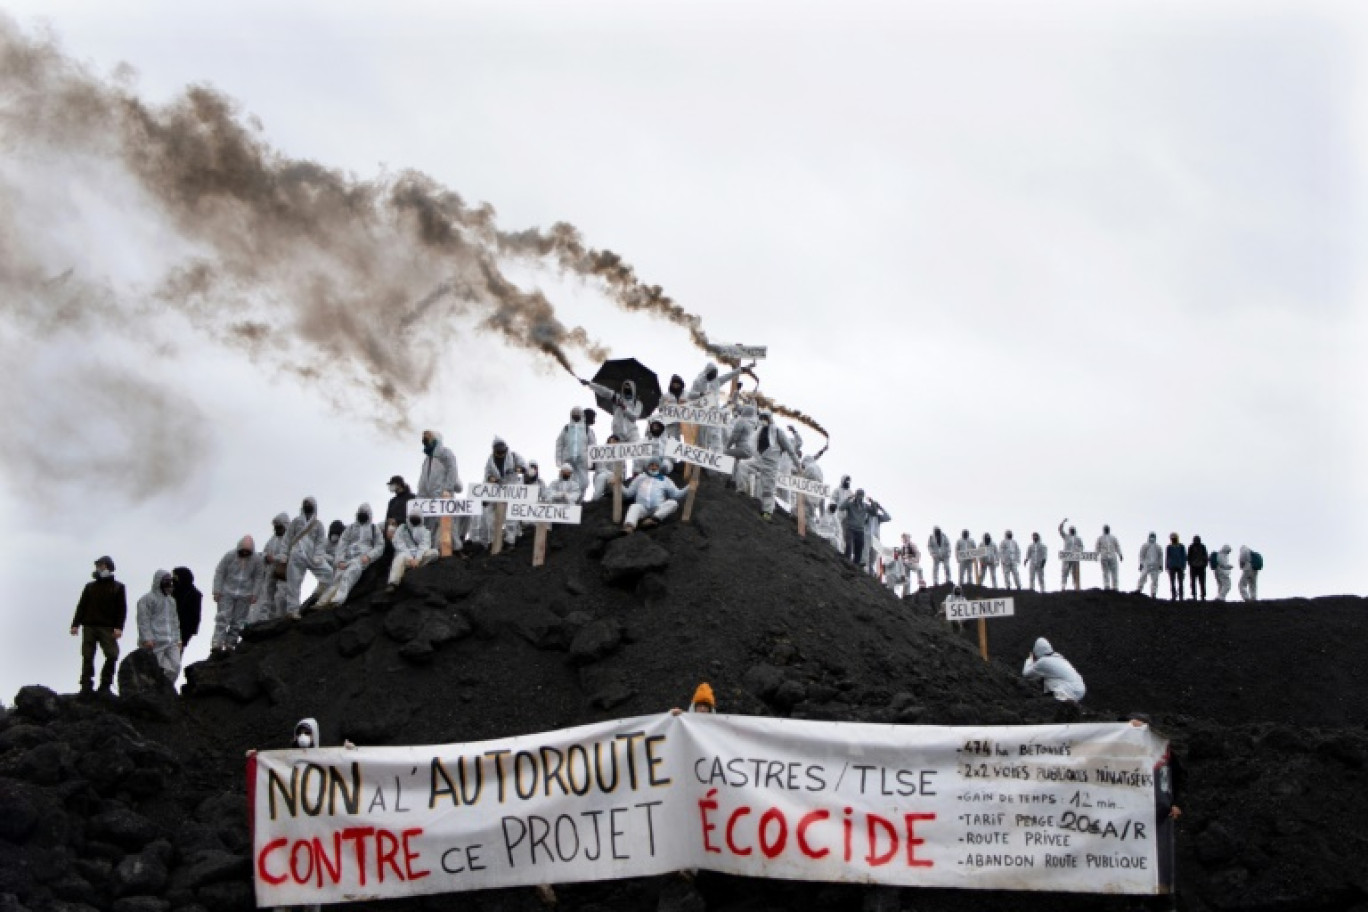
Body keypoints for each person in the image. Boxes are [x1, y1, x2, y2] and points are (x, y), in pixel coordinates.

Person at [1127, 713, 1183, 896]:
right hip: (1125, 817)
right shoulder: (1119, 750)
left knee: (1156, 856)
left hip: (1158, 815)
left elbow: (1180, 778)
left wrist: (1177, 804)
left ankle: (1159, 895)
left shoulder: (1164, 752)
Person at [70, 556, 126, 696]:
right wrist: (75, 624)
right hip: (89, 626)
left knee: (112, 654)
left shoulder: (118, 587)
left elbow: (122, 609)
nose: (99, 568)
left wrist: (119, 627)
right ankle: (86, 684)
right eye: (98, 565)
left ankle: (106, 684)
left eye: (102, 565)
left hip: (107, 627)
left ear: (109, 567)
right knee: (87, 655)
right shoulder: (90, 586)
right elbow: (81, 606)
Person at [317, 503, 385, 608]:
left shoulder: (373, 528)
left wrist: (369, 556)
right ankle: (322, 602)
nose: (362, 514)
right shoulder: (350, 528)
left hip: (361, 558)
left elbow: (380, 546)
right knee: (337, 578)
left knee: (349, 574)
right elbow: (342, 544)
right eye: (360, 512)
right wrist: (339, 561)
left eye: (364, 513)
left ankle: (338, 599)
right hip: (347, 558)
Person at [279, 497, 332, 620]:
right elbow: (287, 539)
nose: (307, 505)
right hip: (296, 554)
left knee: (328, 572)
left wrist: (319, 555)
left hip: (312, 556)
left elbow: (320, 541)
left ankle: (323, 597)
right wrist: (284, 555)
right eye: (305, 503)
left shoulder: (318, 525)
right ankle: (292, 611)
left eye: (310, 504)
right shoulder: (296, 522)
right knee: (293, 583)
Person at [211, 536, 263, 654]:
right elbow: (220, 572)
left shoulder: (256, 560)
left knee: (238, 621)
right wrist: (217, 590)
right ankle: (217, 643)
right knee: (222, 617)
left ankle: (230, 644)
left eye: (247, 551)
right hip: (227, 592)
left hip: (245, 594)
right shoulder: (230, 556)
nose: (245, 553)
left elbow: (258, 577)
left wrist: (255, 594)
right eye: (243, 550)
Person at [136, 569, 182, 686]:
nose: (169, 585)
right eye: (166, 582)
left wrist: (178, 639)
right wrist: (147, 638)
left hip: (171, 641)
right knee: (155, 668)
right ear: (159, 582)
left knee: (175, 666)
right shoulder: (147, 599)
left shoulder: (171, 601)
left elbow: (174, 621)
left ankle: (166, 690)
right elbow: (143, 620)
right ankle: (154, 690)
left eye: (170, 582)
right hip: (155, 642)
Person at [419, 429, 464, 547]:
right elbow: (423, 479)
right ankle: (435, 549)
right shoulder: (427, 460)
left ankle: (455, 549)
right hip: (429, 499)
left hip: (443, 495)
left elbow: (452, 471)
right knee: (431, 526)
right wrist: (420, 497)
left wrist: (447, 489)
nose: (425, 439)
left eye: (428, 436)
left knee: (448, 524)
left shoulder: (445, 454)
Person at [583, 379, 644, 466]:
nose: (627, 388)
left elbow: (634, 416)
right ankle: (619, 476)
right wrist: (590, 384)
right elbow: (603, 391)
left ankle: (637, 472)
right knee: (616, 456)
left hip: (632, 431)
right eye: (625, 387)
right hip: (618, 431)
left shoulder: (637, 403)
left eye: (629, 387)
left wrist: (624, 408)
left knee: (638, 450)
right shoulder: (617, 398)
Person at [754, 409, 799, 521]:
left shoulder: (778, 432)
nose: (763, 420)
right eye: (762, 418)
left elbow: (790, 450)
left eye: (765, 418)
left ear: (769, 418)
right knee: (753, 478)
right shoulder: (759, 430)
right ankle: (756, 504)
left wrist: (798, 465)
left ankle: (767, 512)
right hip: (759, 460)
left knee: (769, 488)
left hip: (772, 464)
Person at [623, 457, 686, 531]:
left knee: (673, 503)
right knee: (634, 507)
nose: (654, 467)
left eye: (656, 465)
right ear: (647, 466)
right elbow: (628, 494)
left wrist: (690, 487)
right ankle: (629, 526)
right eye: (651, 465)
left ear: (660, 467)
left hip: (657, 508)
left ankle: (653, 519)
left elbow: (676, 495)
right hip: (642, 508)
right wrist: (617, 485)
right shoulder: (640, 478)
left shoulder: (665, 479)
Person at [389, 506, 439, 591]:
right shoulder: (402, 528)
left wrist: (417, 559)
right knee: (399, 558)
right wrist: (410, 558)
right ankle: (393, 583)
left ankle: (416, 567)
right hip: (405, 554)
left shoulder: (425, 531)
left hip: (418, 557)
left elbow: (424, 545)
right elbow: (398, 543)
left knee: (435, 553)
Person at [1022, 637, 1086, 703]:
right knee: (1048, 678)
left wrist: (1029, 659)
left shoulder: (1043, 662)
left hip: (1069, 689)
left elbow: (1026, 674)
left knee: (1048, 682)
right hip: (1080, 689)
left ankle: (1057, 700)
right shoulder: (1059, 658)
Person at [555, 406, 594, 495]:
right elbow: (559, 444)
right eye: (574, 413)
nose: (576, 415)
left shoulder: (587, 429)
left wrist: (590, 461)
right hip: (568, 460)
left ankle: (580, 501)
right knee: (566, 482)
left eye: (577, 413)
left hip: (582, 460)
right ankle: (567, 501)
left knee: (584, 483)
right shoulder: (566, 428)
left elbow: (592, 445)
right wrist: (558, 460)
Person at [723, 403, 758, 490]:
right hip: (749, 449)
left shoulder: (741, 421)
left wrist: (727, 447)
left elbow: (734, 437)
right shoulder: (753, 422)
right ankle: (733, 481)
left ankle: (729, 479)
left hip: (743, 448)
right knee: (736, 462)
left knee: (724, 454)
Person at [172, 566, 202, 650]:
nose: (173, 579)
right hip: (169, 627)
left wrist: (193, 630)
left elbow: (196, 614)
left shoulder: (194, 594)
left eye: (175, 576)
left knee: (176, 653)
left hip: (184, 628)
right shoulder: (171, 591)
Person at [839, 490, 871, 566]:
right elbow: (841, 507)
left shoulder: (865, 506)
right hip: (850, 528)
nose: (860, 497)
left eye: (861, 496)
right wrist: (849, 498)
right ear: (856, 496)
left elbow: (874, 511)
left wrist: (872, 502)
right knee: (849, 545)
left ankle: (856, 566)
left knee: (859, 549)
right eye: (858, 495)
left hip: (860, 530)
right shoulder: (850, 504)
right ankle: (846, 562)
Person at [864, 499, 892, 575]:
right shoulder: (866, 515)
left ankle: (870, 570)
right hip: (866, 536)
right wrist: (870, 504)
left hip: (875, 538)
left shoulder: (878, 517)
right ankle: (865, 568)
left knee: (874, 554)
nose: (875, 509)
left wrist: (881, 508)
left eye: (876, 507)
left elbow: (888, 517)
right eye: (874, 507)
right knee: (866, 552)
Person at [1058, 519, 1084, 591]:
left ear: (1075, 531)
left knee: (1075, 572)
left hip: (1075, 556)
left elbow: (1081, 547)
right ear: (1069, 531)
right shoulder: (1066, 537)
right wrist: (1063, 522)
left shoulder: (1078, 539)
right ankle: (1063, 585)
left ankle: (1076, 586)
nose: (1072, 530)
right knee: (1065, 571)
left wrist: (1078, 551)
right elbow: (1060, 530)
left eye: (1073, 529)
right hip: (1067, 556)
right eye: (1071, 529)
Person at [1097, 524, 1123, 591]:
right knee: (1105, 571)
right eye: (1105, 529)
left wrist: (1120, 554)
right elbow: (1097, 548)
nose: (1106, 530)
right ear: (1103, 530)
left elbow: (1117, 547)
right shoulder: (1100, 538)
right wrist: (1096, 555)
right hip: (1104, 556)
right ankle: (1106, 585)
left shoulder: (1113, 538)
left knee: (1114, 572)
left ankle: (1115, 586)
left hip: (1112, 556)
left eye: (1107, 528)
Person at [1136, 532, 1162, 597]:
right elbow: (1141, 555)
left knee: (1155, 580)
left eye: (1153, 536)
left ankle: (1153, 593)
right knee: (1143, 576)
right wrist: (1141, 563)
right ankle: (1139, 589)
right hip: (1146, 564)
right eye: (1151, 536)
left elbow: (1160, 557)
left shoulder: (1158, 547)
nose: (1152, 538)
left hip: (1155, 565)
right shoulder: (1145, 545)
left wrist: (1160, 565)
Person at [1165, 534, 1188, 601]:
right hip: (1172, 566)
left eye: (1174, 538)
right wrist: (1167, 566)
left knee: (1180, 582)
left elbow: (1184, 557)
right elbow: (1167, 557)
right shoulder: (1169, 547)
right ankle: (1173, 596)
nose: (1173, 539)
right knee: (1172, 582)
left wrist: (1183, 566)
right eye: (1172, 538)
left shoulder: (1181, 546)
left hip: (1180, 566)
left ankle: (1181, 596)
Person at [1187, 535, 1209, 601]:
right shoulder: (1191, 547)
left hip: (1201, 567)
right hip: (1194, 567)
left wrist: (1205, 564)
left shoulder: (1202, 547)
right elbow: (1189, 556)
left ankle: (1202, 595)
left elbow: (1205, 556)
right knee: (1194, 582)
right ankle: (1194, 595)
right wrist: (1190, 564)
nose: (1196, 541)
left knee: (1201, 582)